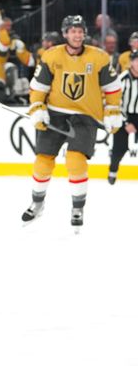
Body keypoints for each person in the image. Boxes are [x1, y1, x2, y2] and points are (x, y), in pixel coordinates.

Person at [22, 15, 122, 231]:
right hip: (56, 113)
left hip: (86, 116)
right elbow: (38, 87)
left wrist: (112, 110)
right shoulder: (51, 56)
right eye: (72, 31)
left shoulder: (100, 58)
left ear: (84, 33)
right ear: (65, 33)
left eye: (80, 31)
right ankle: (37, 204)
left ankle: (77, 208)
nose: (77, 34)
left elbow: (112, 88)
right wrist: (38, 108)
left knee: (76, 162)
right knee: (42, 161)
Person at [108, 50, 138, 185]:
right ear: (131, 62)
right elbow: (115, 103)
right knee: (119, 147)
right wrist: (126, 123)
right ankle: (112, 171)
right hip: (123, 116)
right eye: (137, 60)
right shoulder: (122, 79)